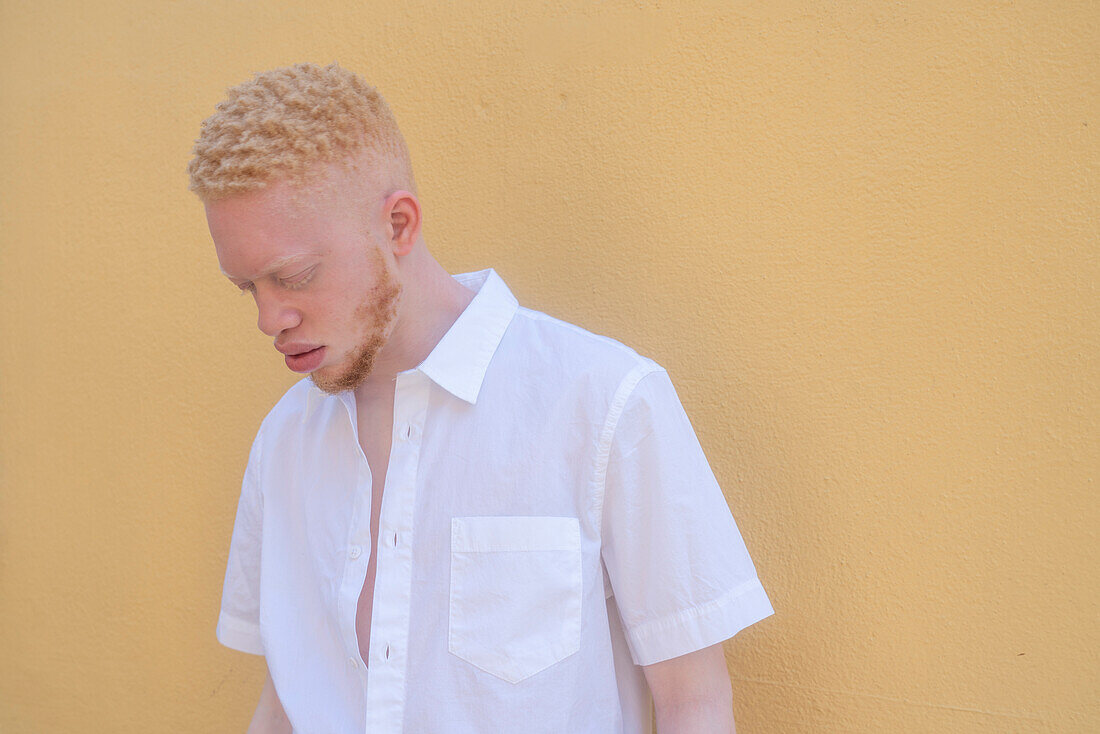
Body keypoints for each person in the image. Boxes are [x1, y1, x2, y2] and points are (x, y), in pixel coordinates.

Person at [189, 61, 773, 734]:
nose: (270, 319)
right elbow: (288, 701)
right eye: (248, 288)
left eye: (294, 277)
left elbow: (693, 702)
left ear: (399, 225)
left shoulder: (603, 402)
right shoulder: (283, 442)